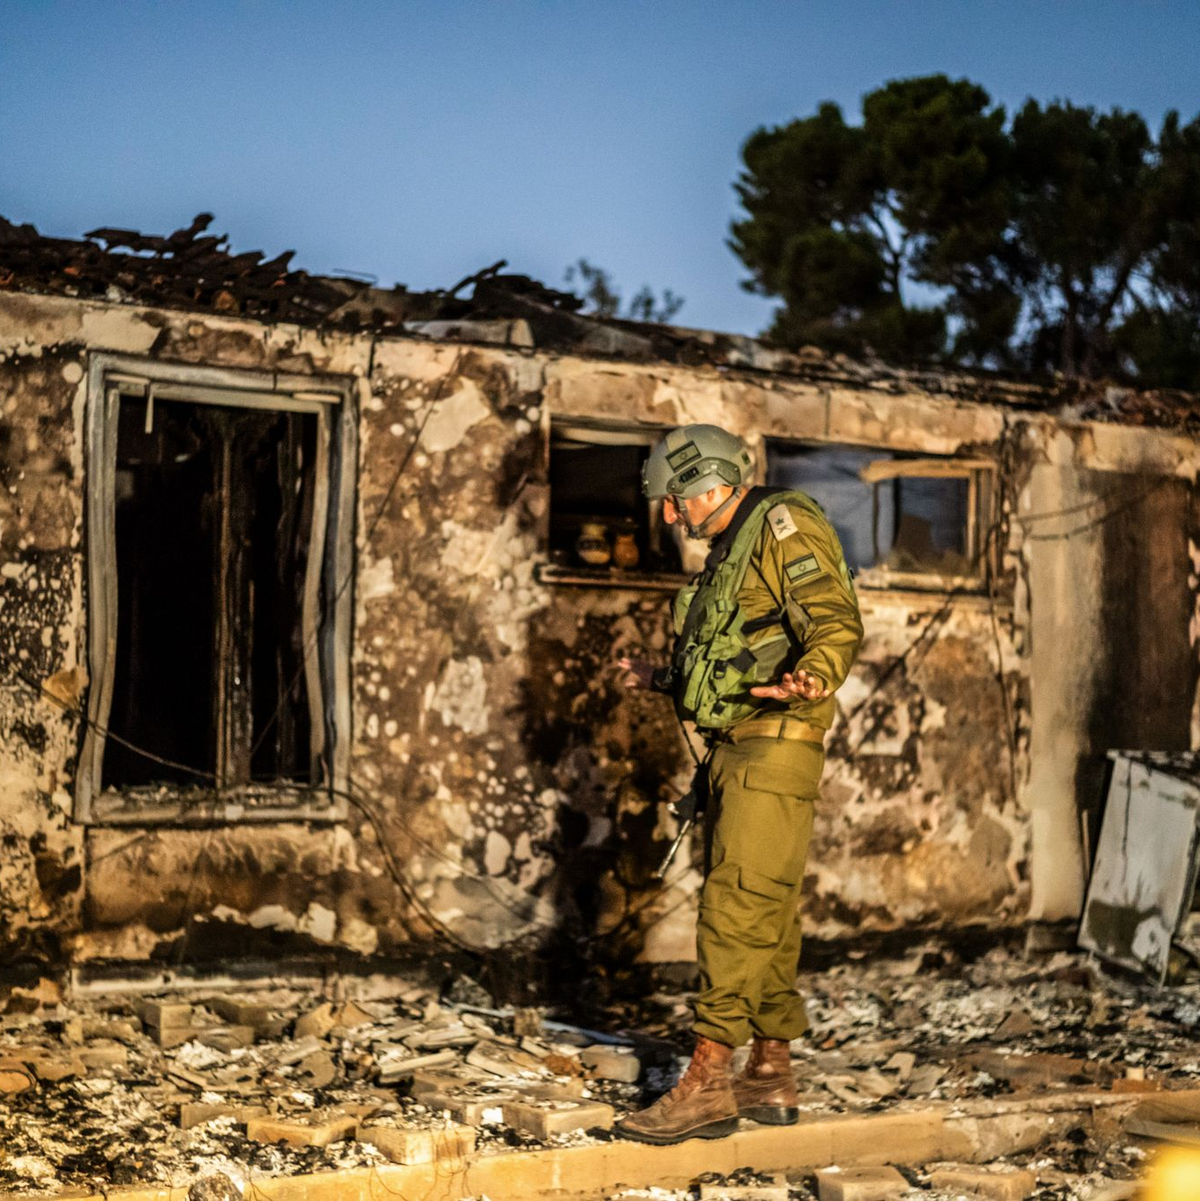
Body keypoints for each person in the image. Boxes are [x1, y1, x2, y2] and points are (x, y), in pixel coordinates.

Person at [615, 423, 864, 1146]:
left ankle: (707, 1079)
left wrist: (815, 672)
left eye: (675, 499)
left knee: (735, 905)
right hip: (741, 746)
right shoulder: (733, 549)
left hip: (774, 744)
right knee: (769, 910)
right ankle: (770, 1070)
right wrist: (659, 676)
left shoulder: (782, 524)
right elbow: (730, 657)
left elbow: (833, 619)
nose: (669, 515)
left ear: (711, 483)